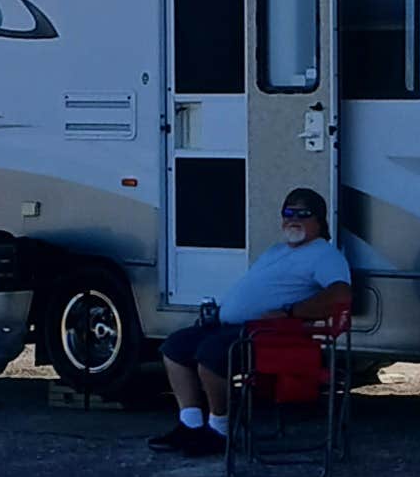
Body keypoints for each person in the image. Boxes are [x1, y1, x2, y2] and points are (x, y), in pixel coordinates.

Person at [148, 187, 351, 457]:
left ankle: (219, 429)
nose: (294, 219)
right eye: (288, 212)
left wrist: (292, 311)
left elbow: (341, 294)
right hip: (232, 326)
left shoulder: (324, 254)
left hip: (269, 336)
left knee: (210, 356)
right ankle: (191, 425)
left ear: (319, 220)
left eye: (303, 214)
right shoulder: (276, 250)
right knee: (175, 347)